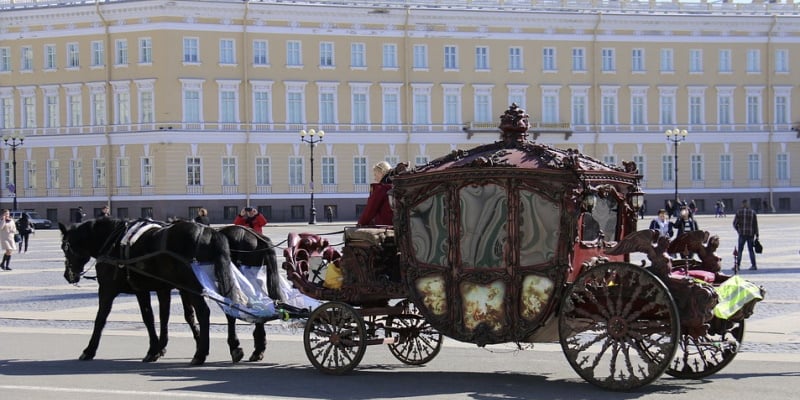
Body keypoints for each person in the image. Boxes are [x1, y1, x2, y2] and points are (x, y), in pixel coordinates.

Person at [357, 161, 394, 226]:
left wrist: (360, 224)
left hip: (385, 228)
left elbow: (369, 211)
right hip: (399, 228)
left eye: (375, 175)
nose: (375, 178)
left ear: (381, 173)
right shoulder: (396, 186)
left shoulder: (382, 189)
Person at [733, 200, 759, 271]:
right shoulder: (752, 212)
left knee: (740, 250)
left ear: (742, 204)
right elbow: (755, 225)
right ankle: (754, 265)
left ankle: (737, 265)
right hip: (750, 234)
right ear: (748, 204)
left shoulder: (739, 212)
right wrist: (757, 235)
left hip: (742, 234)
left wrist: (739, 230)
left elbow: (735, 223)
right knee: (751, 250)